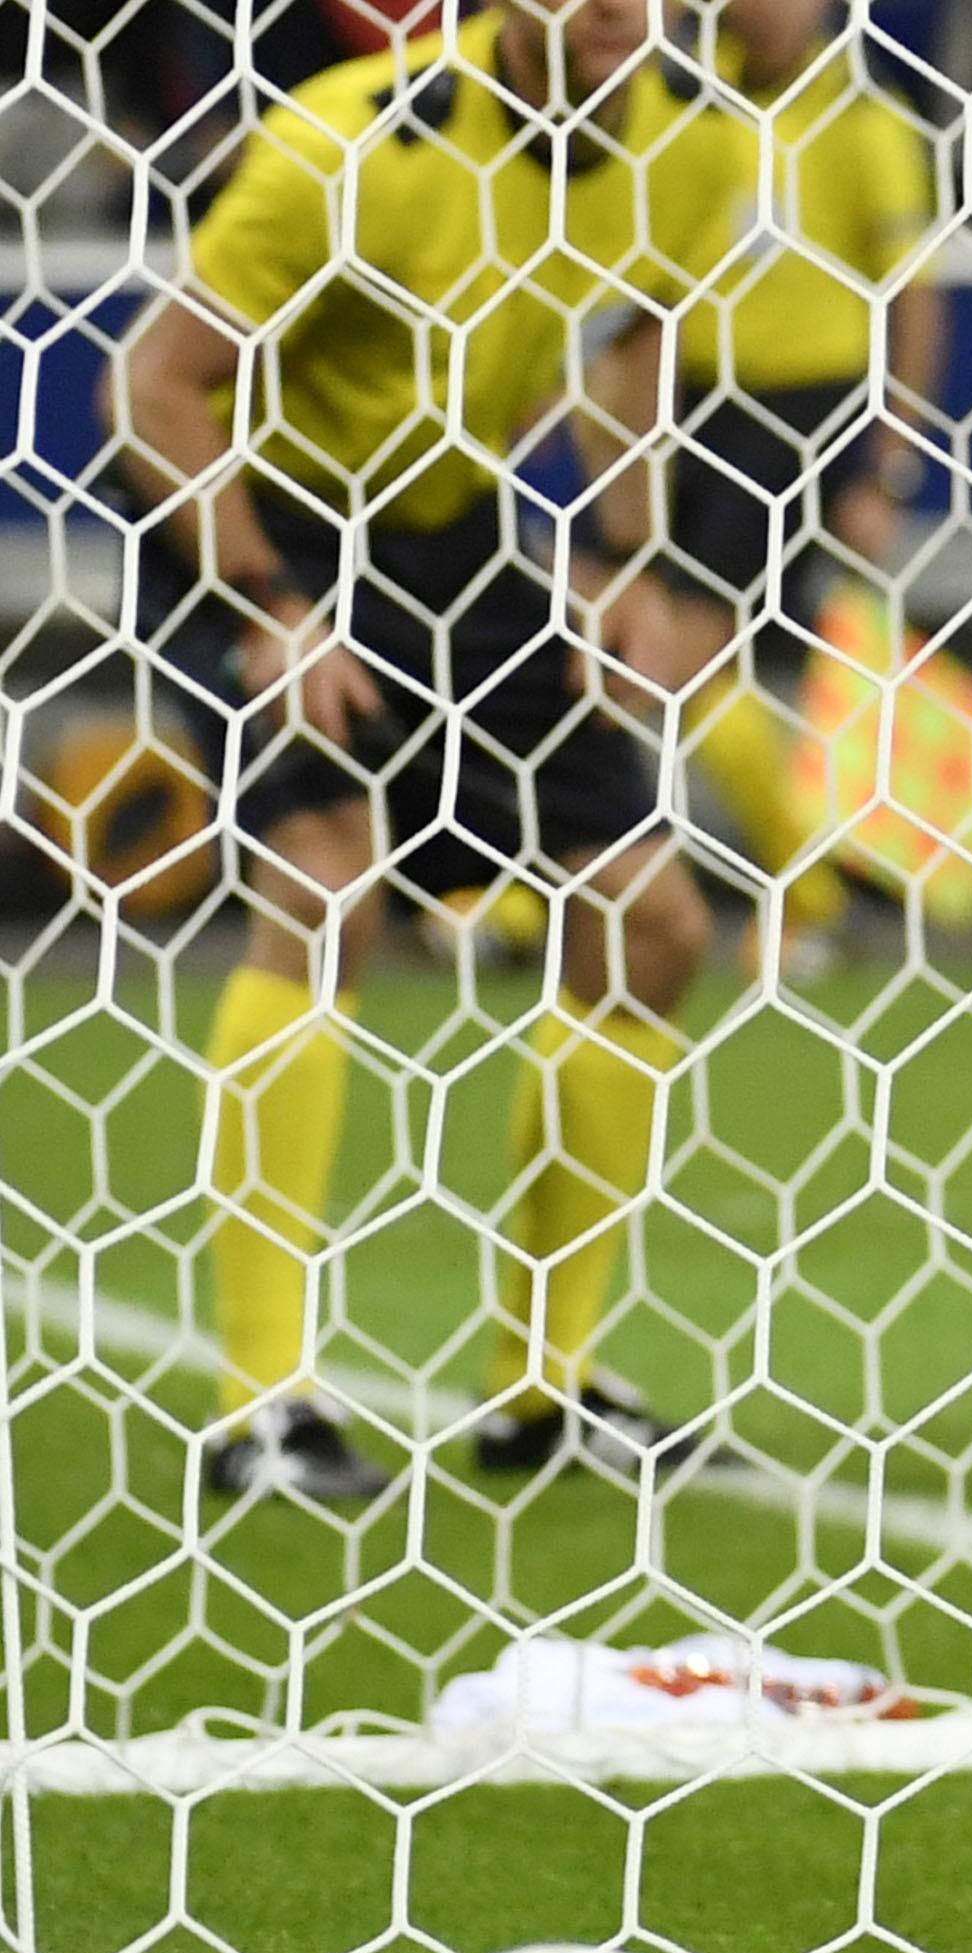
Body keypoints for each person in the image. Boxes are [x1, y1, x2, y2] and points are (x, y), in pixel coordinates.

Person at [112, 0, 747, 1500]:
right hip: (259, 515)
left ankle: (541, 1390)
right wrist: (271, 605)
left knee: (650, 922)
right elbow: (148, 387)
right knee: (333, 891)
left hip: (450, 535)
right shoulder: (354, 140)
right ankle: (261, 1409)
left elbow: (630, 334)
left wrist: (623, 565)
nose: (618, 14)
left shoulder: (694, 142)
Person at [635, 0, 947, 981]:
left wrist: (885, 465)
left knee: (685, 658)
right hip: (693, 407)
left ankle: (807, 892)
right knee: (667, 658)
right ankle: (802, 892)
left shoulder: (865, 113)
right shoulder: (680, 96)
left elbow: (914, 295)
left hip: (806, 415)